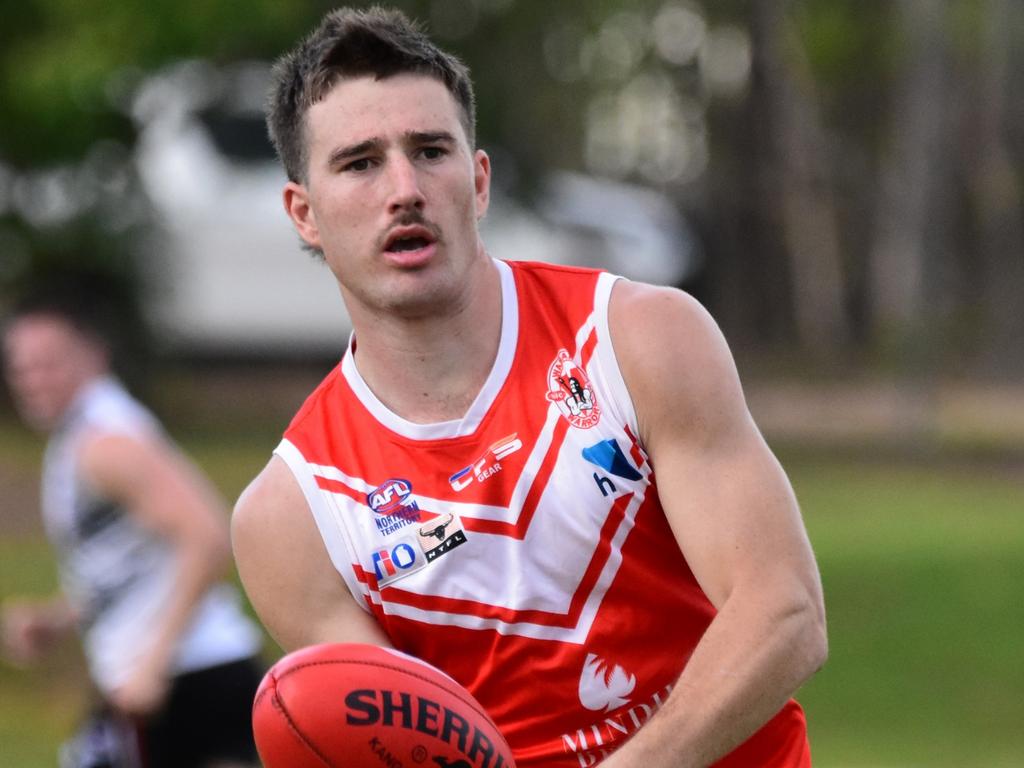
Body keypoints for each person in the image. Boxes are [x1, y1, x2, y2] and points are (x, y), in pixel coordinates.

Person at [232, 7, 828, 768]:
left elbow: (785, 613)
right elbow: (394, 747)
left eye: (431, 150)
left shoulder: (636, 338)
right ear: (304, 214)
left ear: (478, 183)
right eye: (360, 163)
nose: (406, 188)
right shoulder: (294, 514)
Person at [1, 291, 265, 768]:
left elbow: (205, 537)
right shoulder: (80, 434)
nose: (33, 380)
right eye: (21, 368)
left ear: (93, 355)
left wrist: (152, 664)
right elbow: (129, 565)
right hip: (160, 681)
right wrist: (58, 620)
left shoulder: (107, 441)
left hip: (189, 678)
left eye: (49, 363)